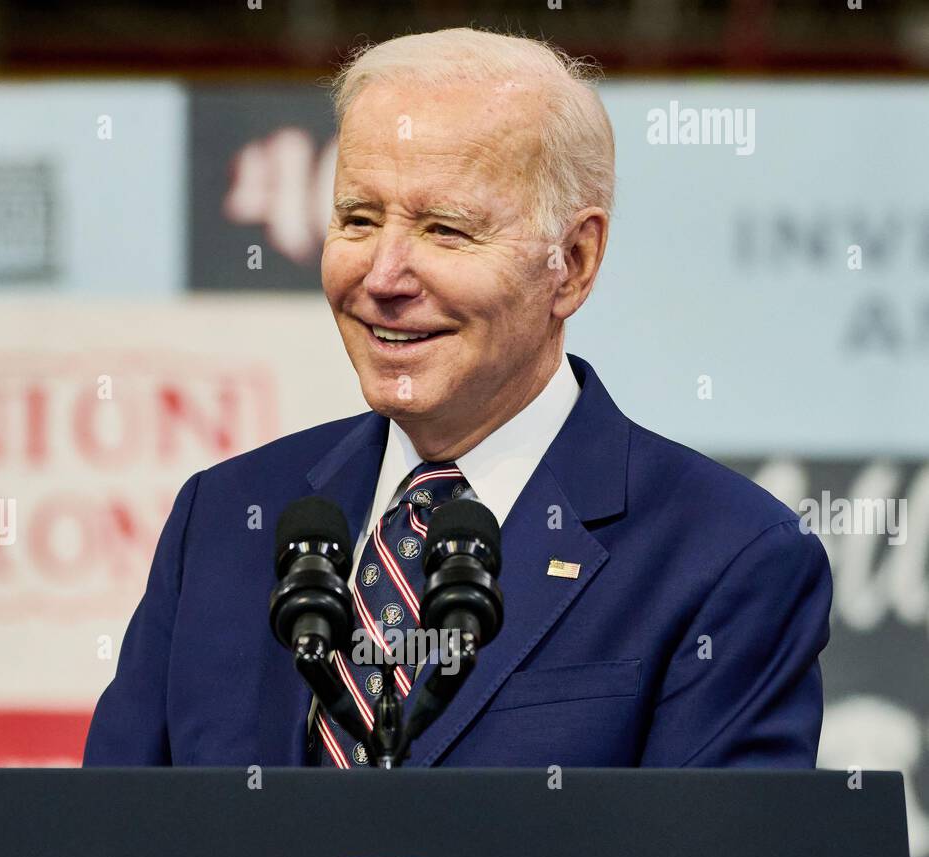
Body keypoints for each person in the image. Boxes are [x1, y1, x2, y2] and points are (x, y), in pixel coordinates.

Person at [83, 27, 831, 770]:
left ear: (571, 263)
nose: (383, 277)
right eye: (358, 220)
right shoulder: (222, 518)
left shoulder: (727, 559)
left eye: (445, 230)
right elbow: (107, 853)